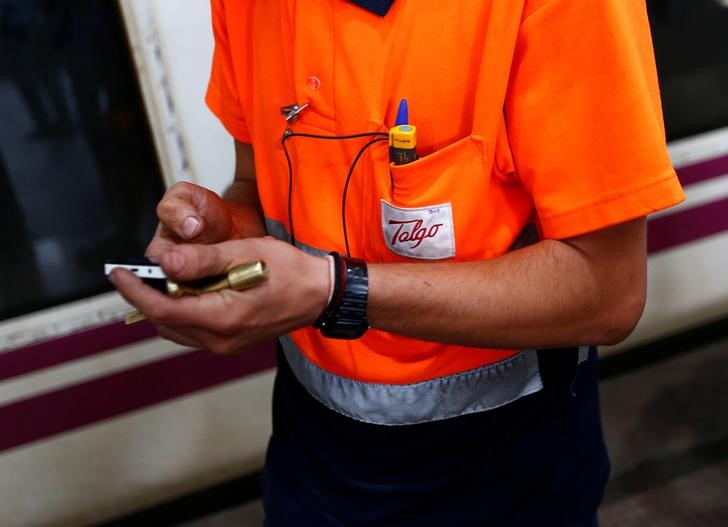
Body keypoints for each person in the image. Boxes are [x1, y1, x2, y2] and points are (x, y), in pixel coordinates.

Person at [109, 1, 685, 525]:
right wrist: (223, 236)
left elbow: (608, 293)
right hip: (310, 459)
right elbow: (253, 182)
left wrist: (337, 291)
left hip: (504, 473)